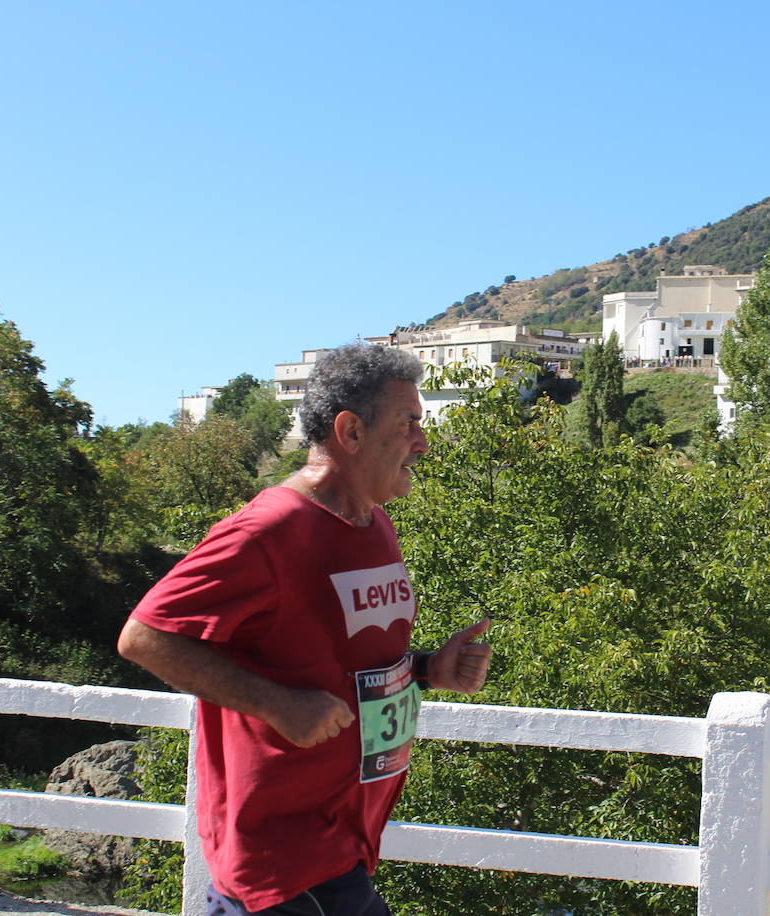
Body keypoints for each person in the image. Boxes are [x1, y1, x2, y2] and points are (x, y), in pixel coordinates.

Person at [118, 343, 492, 916]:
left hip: (345, 842)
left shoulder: (374, 523)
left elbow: (341, 657)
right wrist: (279, 705)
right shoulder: (270, 530)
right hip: (279, 861)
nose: (422, 441)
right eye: (409, 423)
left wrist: (426, 669)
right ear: (351, 431)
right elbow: (145, 637)